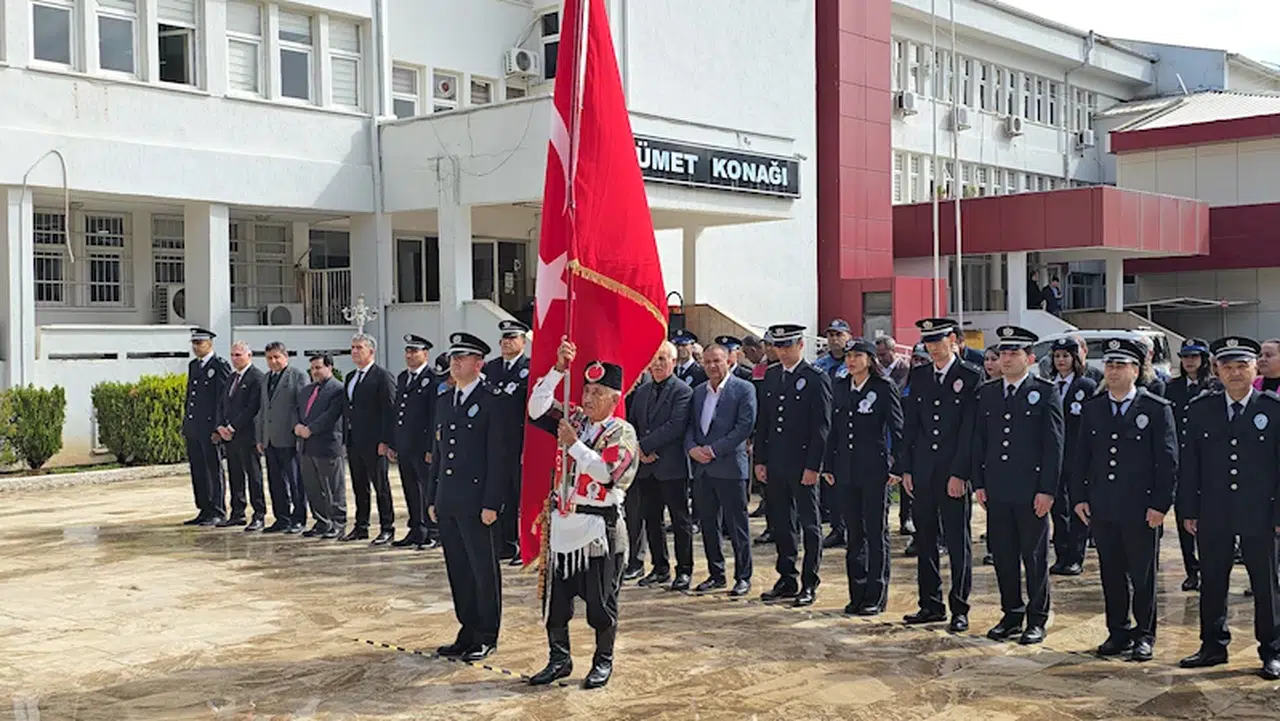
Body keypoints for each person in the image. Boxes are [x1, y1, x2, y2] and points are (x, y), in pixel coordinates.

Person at [527, 339, 640, 689]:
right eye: (586, 390)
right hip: (564, 524)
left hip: (597, 529)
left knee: (600, 602)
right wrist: (559, 370)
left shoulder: (621, 431)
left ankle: (602, 661)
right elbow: (535, 408)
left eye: (597, 392)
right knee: (556, 601)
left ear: (614, 398)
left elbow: (609, 473)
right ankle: (559, 658)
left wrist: (574, 444)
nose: (588, 398)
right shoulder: (574, 418)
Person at [1177, 336, 1280, 680]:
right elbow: (1190, 463)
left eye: (1242, 366)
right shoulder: (1201, 409)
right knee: (1213, 581)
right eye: (1228, 366)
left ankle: (1272, 650)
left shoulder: (1272, 408)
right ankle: (1212, 645)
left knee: (1265, 583)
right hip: (1214, 509)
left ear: (1255, 368)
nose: (1235, 373)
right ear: (1217, 370)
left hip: (1259, 511)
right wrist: (1189, 508)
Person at [1071, 337, 1176, 662]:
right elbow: (1080, 458)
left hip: (1141, 509)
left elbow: (1169, 461)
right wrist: (1079, 498)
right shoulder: (1094, 408)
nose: (1113, 371)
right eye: (1109, 365)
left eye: (1120, 366)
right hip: (1104, 506)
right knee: (1111, 573)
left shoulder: (1156, 409)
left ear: (1137, 370)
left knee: (1143, 574)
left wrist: (1160, 505)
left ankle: (1144, 634)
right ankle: (1118, 631)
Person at [973, 325, 1064, 645]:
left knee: (1035, 556)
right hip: (997, 489)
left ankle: (1037, 618)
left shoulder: (1045, 390)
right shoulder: (988, 392)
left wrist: (1048, 490)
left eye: (1014, 353)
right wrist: (979, 482)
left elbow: (1054, 445)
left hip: (1031, 490)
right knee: (1004, 554)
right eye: (1003, 354)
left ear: (1030, 357)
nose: (1007, 359)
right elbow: (979, 442)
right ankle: (1011, 613)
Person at [899, 318, 981, 632]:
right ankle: (930, 604)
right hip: (922, 470)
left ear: (953, 340)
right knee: (925, 539)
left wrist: (961, 473)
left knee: (958, 542)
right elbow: (911, 426)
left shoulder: (969, 376)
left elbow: (969, 432)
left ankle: (959, 607)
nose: (932, 347)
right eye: (928, 341)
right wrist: (906, 467)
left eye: (938, 340)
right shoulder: (919, 375)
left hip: (953, 472)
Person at [428, 332, 506, 664]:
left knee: (482, 570)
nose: (455, 363)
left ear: (479, 363)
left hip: (477, 502)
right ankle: (467, 629)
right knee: (458, 569)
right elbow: (439, 453)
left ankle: (486, 634)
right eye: (453, 358)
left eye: (463, 358)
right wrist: (433, 497)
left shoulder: (493, 400)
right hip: (449, 500)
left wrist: (492, 503)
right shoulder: (445, 400)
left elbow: (499, 457)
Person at [753, 323, 832, 607]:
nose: (783, 352)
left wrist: (814, 466)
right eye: (778, 346)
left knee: (810, 525)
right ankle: (787, 577)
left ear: (800, 345)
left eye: (788, 346)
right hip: (776, 463)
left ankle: (809, 582)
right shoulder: (772, 376)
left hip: (802, 465)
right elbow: (764, 422)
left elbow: (821, 427)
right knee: (782, 524)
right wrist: (760, 459)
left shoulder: (815, 378)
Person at [824, 338, 904, 616]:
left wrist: (898, 466)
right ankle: (856, 592)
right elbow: (833, 430)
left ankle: (875, 594)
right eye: (848, 356)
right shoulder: (841, 387)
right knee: (853, 533)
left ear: (870, 359)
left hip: (874, 470)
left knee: (875, 532)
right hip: (846, 469)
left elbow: (897, 428)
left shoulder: (883, 388)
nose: (851, 361)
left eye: (858, 355)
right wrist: (829, 465)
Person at [686, 343, 757, 597]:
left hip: (730, 468)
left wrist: (714, 450)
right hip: (703, 470)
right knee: (708, 525)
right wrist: (692, 448)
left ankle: (743, 576)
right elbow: (691, 426)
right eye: (707, 362)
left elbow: (744, 427)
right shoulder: (697, 392)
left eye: (717, 361)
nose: (712, 366)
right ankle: (716, 574)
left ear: (729, 360)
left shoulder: (744, 389)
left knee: (737, 525)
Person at [627, 340, 695, 591]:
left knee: (679, 521)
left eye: (663, 359)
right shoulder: (643, 391)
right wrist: (639, 448)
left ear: (674, 362)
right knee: (651, 519)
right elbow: (631, 423)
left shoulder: (683, 391)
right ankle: (659, 567)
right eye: (654, 359)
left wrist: (645, 446)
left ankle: (684, 570)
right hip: (646, 468)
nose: (657, 365)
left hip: (671, 466)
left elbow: (675, 426)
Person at [1165, 337, 1217, 591]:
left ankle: (1208, 567)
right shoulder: (1172, 387)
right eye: (1185, 357)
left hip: (1208, 461)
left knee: (1208, 518)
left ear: (1204, 359)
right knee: (1184, 515)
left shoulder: (1215, 387)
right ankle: (1191, 570)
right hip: (1181, 461)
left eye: (1194, 357)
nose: (1189, 361)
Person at [1046, 337, 1098, 576]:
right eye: (1057, 356)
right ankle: (1061, 554)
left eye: (1065, 356)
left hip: (1077, 456)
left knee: (1077, 507)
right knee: (1058, 508)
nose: (1061, 361)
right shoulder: (1047, 385)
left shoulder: (1085, 386)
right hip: (1054, 456)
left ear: (1075, 358)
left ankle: (1076, 556)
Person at [483, 319, 532, 564]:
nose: (506, 342)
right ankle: (505, 543)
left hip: (519, 443)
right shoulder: (491, 368)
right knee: (499, 493)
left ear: (523, 341)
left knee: (520, 495)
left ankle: (524, 546)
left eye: (512, 338)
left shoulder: (530, 368)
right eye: (504, 338)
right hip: (495, 442)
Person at [341, 333, 398, 544]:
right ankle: (361, 526)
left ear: (371, 351)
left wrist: (386, 440)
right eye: (353, 347)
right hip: (355, 441)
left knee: (381, 485)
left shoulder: (382, 376)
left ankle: (387, 527)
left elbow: (389, 410)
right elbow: (349, 410)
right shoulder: (350, 377)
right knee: (359, 485)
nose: (355, 351)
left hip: (375, 443)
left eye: (359, 348)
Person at [389, 334, 438, 551]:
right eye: (407, 352)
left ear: (425, 354)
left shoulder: (432, 378)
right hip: (405, 445)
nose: (409, 356)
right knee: (410, 488)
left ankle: (432, 532)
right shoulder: (402, 378)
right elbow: (398, 411)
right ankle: (416, 529)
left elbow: (434, 417)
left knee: (427, 490)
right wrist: (394, 443)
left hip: (422, 447)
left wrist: (430, 448)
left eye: (414, 352)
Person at [257, 341, 309, 534]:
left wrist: (299, 435)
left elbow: (302, 408)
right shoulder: (265, 379)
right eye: (269, 358)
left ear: (285, 357)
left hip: (289, 438)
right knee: (275, 481)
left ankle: (299, 518)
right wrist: (260, 437)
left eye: (277, 357)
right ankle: (282, 518)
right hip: (270, 439)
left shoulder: (297, 376)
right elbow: (263, 410)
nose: (273, 361)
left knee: (295, 481)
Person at [181, 327, 231, 526]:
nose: (196, 347)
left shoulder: (219, 365)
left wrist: (218, 427)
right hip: (195, 427)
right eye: (194, 343)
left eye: (199, 343)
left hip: (210, 428)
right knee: (198, 469)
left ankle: (218, 510)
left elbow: (223, 399)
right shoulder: (194, 365)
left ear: (210, 343)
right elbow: (190, 397)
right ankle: (204, 508)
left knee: (213, 469)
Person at [295, 354, 347, 539]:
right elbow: (298, 411)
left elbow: (331, 415)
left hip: (327, 446)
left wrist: (311, 429)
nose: (315, 372)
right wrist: (298, 426)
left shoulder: (338, 389)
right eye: (313, 368)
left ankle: (338, 523)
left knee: (333, 488)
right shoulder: (306, 390)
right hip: (307, 446)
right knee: (313, 488)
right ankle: (321, 522)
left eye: (319, 367)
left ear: (329, 367)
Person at [216, 340, 266, 529]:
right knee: (235, 475)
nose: (235, 359)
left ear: (249, 355)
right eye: (232, 355)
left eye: (238, 355)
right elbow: (223, 404)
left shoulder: (256, 377)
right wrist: (220, 426)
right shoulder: (231, 378)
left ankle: (259, 514)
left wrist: (232, 427)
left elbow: (252, 407)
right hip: (230, 437)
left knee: (253, 476)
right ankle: (237, 512)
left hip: (247, 435)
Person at [816, 321, 853, 549]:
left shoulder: (857, 362)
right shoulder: (820, 365)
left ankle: (854, 527)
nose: (833, 339)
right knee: (831, 480)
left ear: (848, 336)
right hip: (826, 429)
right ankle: (838, 527)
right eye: (830, 335)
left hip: (850, 428)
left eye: (838, 334)